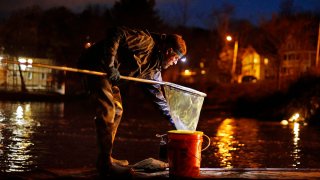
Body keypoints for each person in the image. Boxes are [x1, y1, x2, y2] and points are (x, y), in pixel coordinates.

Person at [77, 26, 187, 178]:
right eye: (176, 58)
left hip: (109, 77)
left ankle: (106, 156)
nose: (175, 63)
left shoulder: (153, 71)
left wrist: (177, 123)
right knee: (108, 109)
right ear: (168, 51)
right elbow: (116, 32)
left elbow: (159, 100)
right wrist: (110, 64)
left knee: (117, 110)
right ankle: (105, 165)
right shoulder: (146, 42)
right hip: (97, 65)